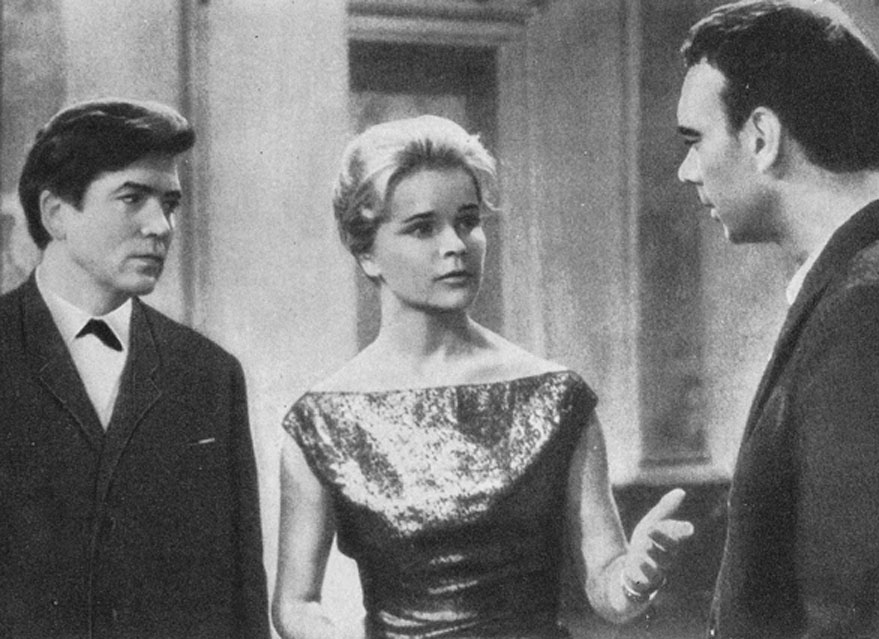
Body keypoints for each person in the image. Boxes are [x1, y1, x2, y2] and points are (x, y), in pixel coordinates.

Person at [272, 115, 694, 639]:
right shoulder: (321, 420)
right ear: (367, 253)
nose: (455, 244)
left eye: (468, 221)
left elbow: (607, 586)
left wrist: (635, 577)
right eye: (423, 227)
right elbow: (295, 603)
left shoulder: (556, 397)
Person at [0, 98, 270, 639]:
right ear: (56, 213)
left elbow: (241, 599)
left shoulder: (208, 375)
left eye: (169, 203)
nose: (160, 225)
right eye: (132, 198)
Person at [676, 2, 879, 636]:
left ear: (762, 138)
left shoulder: (860, 308)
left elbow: (853, 609)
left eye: (695, 140)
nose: (686, 170)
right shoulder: (850, 285)